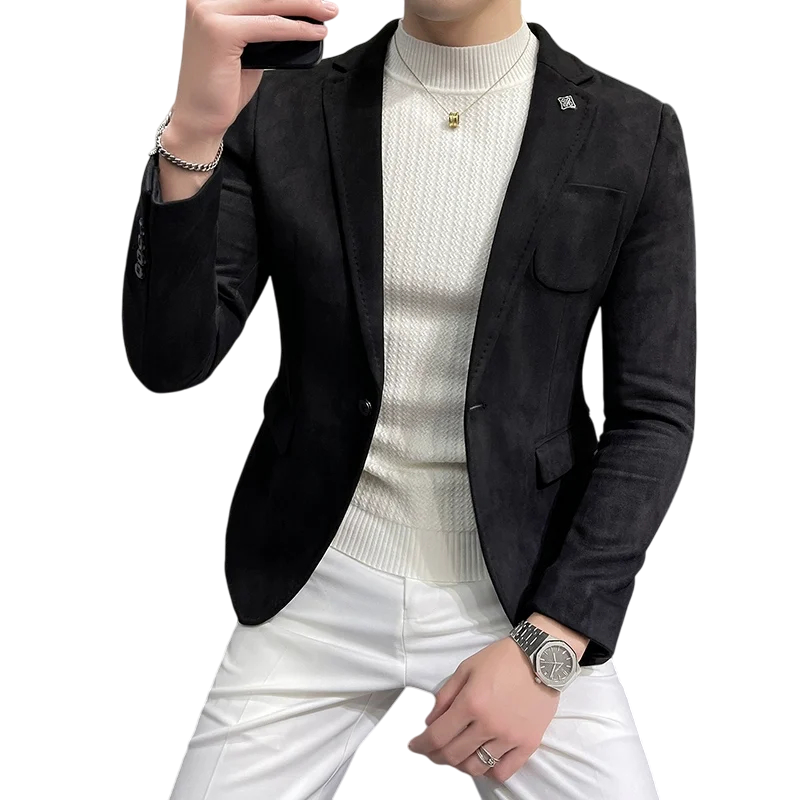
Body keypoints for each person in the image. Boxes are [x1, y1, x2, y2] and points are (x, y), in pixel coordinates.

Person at [122, 1, 695, 797]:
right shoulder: (284, 106)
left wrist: (551, 644)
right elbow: (169, 360)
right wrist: (193, 132)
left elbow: (653, 417)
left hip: (525, 589)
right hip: (313, 578)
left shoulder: (632, 132)